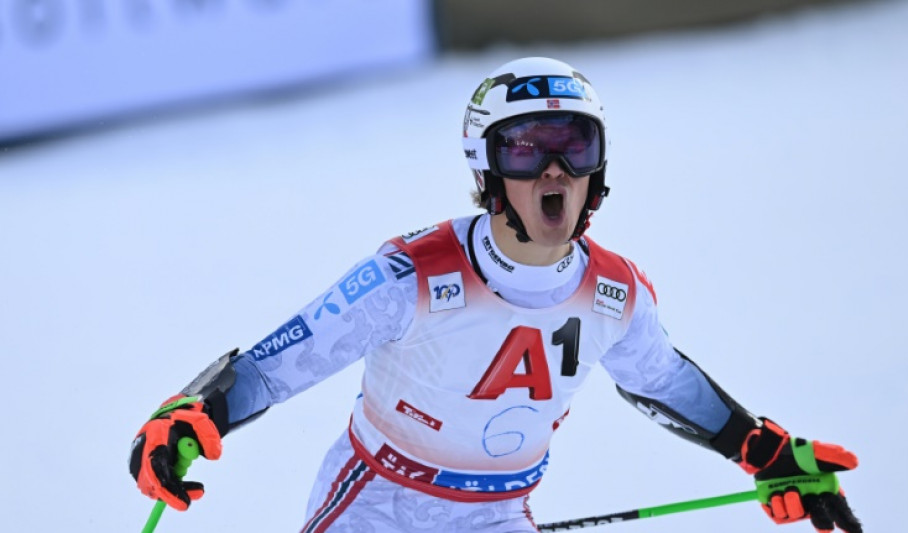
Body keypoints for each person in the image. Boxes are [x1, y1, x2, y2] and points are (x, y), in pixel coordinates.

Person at [129, 57, 863, 533]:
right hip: (378, 502)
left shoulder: (615, 292)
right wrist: (189, 413)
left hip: (497, 513)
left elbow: (664, 381)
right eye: (524, 148)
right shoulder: (408, 275)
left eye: (573, 146)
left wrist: (762, 449)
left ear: (598, 169)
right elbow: (269, 367)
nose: (553, 171)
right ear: (485, 171)